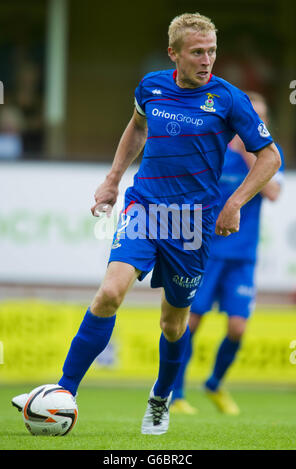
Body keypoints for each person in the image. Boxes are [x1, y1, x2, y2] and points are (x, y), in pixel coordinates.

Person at [12, 13, 281, 435]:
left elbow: (270, 157)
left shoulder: (229, 99)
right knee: (109, 294)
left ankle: (160, 397)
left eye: (212, 51)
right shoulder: (151, 86)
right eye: (197, 52)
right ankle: (64, 391)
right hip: (145, 210)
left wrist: (235, 203)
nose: (207, 59)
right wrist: (113, 179)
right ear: (174, 53)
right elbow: (137, 127)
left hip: (193, 227)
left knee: (173, 325)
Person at [170, 92, 284, 415]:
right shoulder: (215, 152)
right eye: (251, 117)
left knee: (237, 327)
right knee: (189, 323)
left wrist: (254, 155)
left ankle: (214, 383)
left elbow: (273, 192)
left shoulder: (271, 154)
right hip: (206, 253)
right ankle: (175, 394)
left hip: (242, 256)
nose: (256, 123)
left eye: (261, 119)